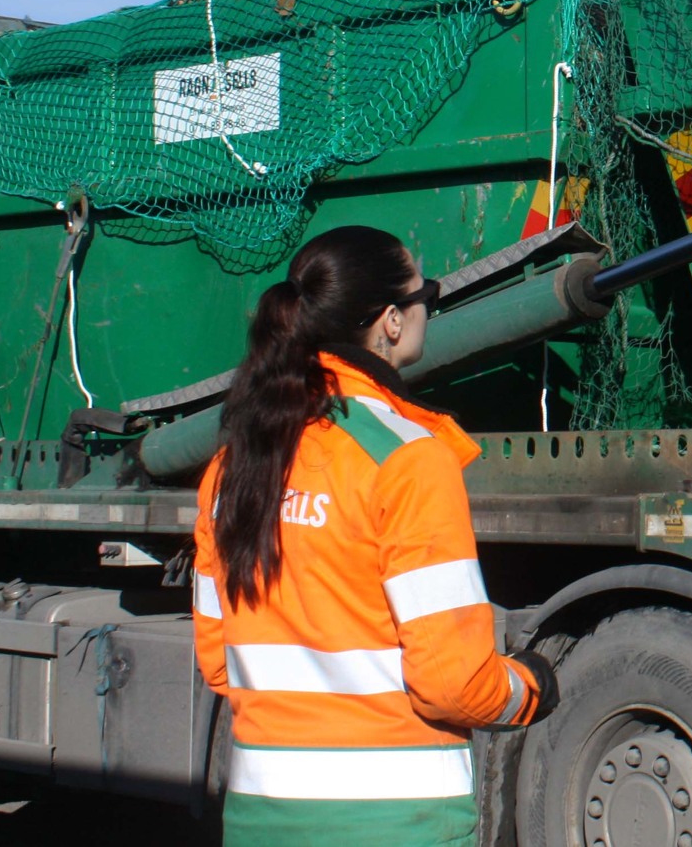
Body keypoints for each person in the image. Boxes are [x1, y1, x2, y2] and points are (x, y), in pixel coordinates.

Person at [192, 225, 554, 845]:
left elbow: (219, 663)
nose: (427, 310)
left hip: (261, 823)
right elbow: (452, 685)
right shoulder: (409, 460)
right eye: (426, 296)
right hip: (398, 825)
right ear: (391, 320)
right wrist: (530, 688)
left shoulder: (233, 469)